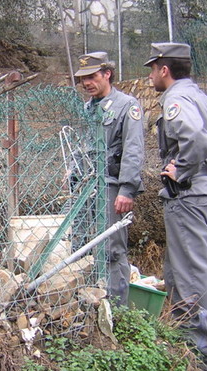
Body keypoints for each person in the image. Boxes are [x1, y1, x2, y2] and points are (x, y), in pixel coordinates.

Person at [144, 42, 207, 370]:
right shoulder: (202, 97)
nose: (151, 75)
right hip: (201, 194)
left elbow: (197, 140)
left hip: (187, 197)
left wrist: (183, 170)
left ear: (165, 69)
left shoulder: (176, 99)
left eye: (153, 69)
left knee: (194, 274)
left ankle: (201, 355)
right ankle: (186, 343)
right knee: (181, 271)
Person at [72, 51, 145, 306]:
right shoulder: (87, 109)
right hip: (85, 187)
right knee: (81, 243)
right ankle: (87, 302)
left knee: (113, 249)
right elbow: (81, 145)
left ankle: (116, 308)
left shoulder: (127, 105)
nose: (87, 83)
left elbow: (133, 149)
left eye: (92, 77)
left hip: (112, 186)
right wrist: (72, 173)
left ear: (107, 74)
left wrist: (127, 189)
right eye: (83, 79)